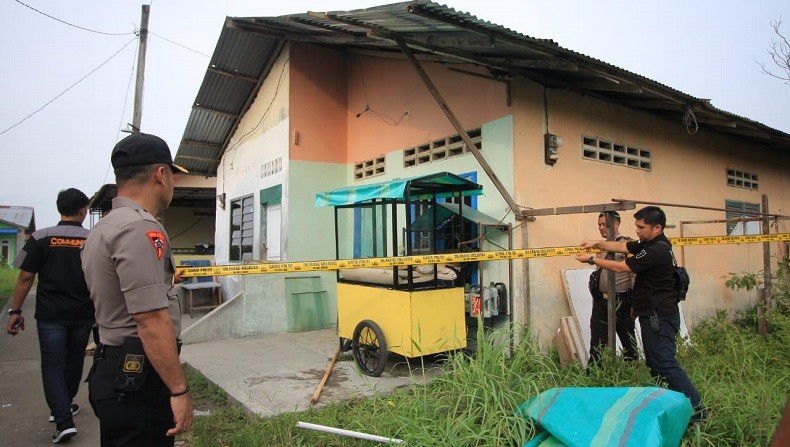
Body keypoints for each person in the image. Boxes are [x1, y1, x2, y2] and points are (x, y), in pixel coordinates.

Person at [81, 132, 193, 445]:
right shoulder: (140, 227)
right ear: (161, 174)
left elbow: (119, 292)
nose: (173, 183)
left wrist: (166, 281)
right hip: (137, 376)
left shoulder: (105, 225)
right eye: (172, 175)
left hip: (113, 367)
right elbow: (149, 320)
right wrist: (179, 390)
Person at [575, 206, 705, 421]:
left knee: (664, 363)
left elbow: (621, 267)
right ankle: (672, 407)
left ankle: (696, 411)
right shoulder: (649, 243)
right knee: (655, 363)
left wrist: (591, 259)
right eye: (636, 226)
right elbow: (622, 245)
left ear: (657, 228)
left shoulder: (657, 250)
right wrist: (596, 243)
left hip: (659, 316)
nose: (637, 231)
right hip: (652, 314)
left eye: (641, 227)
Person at [6, 188, 95, 443]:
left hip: (50, 316)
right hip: (82, 313)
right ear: (83, 211)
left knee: (53, 365)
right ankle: (63, 407)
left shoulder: (40, 237)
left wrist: (15, 311)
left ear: (60, 209)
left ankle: (63, 417)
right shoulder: (92, 238)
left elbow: (25, 276)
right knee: (74, 361)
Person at [587, 212, 637, 366]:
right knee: (597, 338)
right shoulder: (599, 247)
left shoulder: (628, 245)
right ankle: (595, 372)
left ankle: (631, 369)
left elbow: (634, 275)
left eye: (605, 224)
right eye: (599, 225)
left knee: (627, 338)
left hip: (622, 300)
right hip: (602, 300)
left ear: (616, 224)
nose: (601, 228)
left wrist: (635, 303)